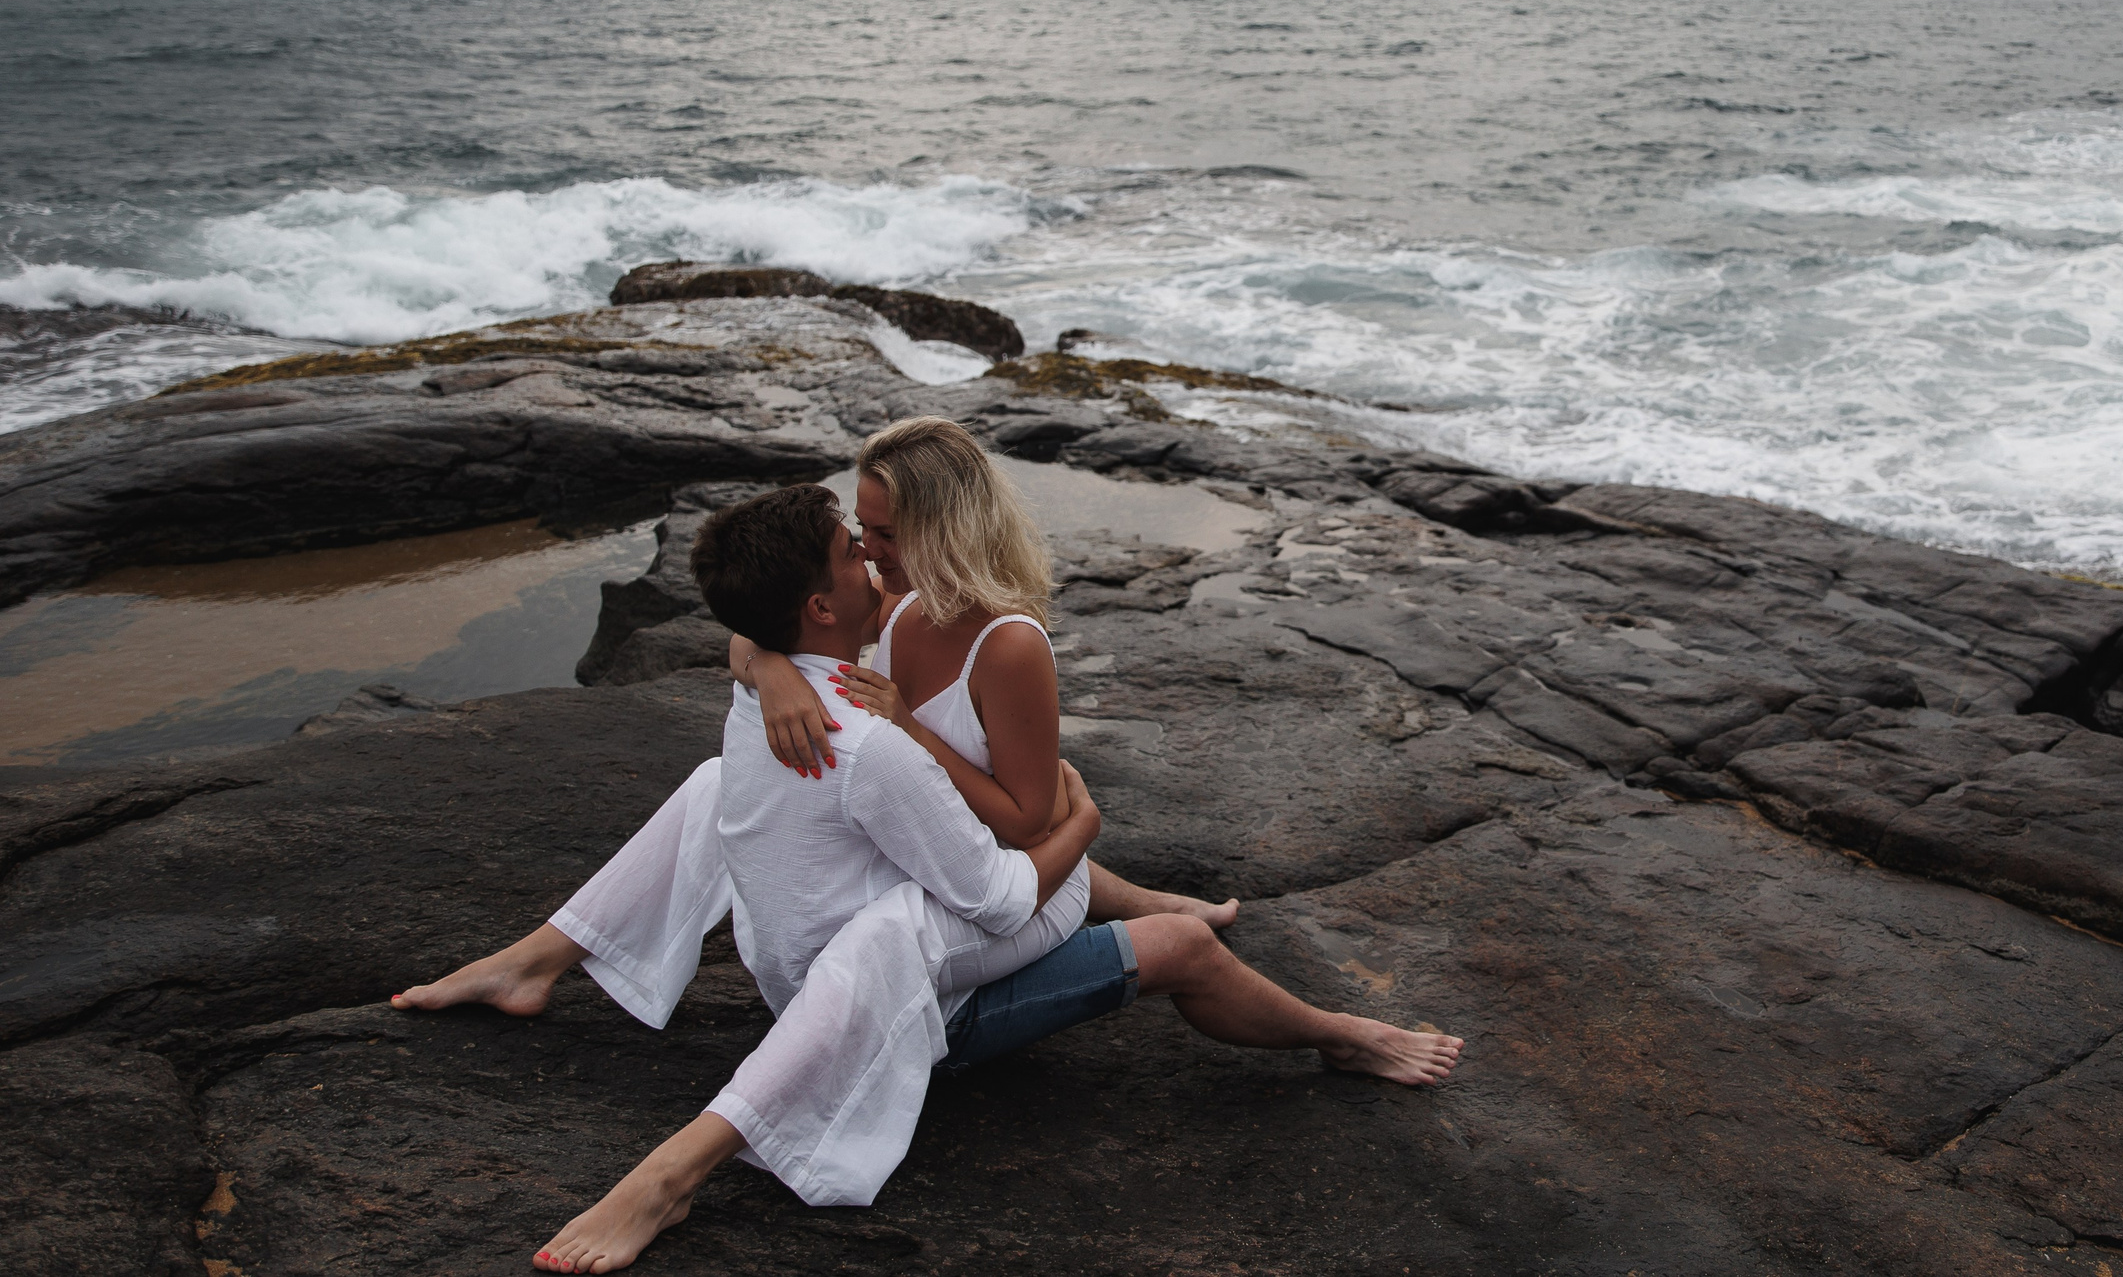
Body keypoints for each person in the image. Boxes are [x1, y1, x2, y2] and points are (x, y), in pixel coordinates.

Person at [393, 454, 1463, 1274]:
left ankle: (540, 961)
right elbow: (1002, 879)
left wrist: (765, 659)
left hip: (818, 955)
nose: (867, 547)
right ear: (825, 599)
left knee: (784, 816)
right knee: (1140, 934)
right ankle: (1346, 1033)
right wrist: (1081, 822)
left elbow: (775, 622)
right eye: (855, 540)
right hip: (899, 1001)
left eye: (878, 532)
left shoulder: (898, 633)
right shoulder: (863, 725)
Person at [732, 416, 1232, 935]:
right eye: (863, 529)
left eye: (888, 535)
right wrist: (769, 668)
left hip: (992, 877)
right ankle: (1153, 904)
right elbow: (758, 624)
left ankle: (1157, 912)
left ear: (948, 531)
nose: (869, 551)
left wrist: (913, 730)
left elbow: (1030, 825)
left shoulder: (1008, 646)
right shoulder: (901, 601)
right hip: (929, 849)